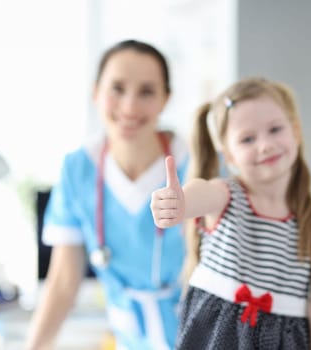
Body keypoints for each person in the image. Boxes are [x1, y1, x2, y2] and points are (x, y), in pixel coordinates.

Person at [151, 77, 311, 349]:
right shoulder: (227, 196)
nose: (264, 145)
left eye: (275, 129)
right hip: (217, 336)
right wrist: (181, 203)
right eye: (247, 139)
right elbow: (202, 192)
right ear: (228, 155)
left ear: (296, 131)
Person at [26, 40, 189, 350]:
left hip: (204, 337)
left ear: (166, 99)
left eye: (146, 92)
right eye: (117, 88)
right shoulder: (78, 169)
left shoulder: (196, 164)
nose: (129, 107)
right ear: (96, 92)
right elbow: (63, 281)